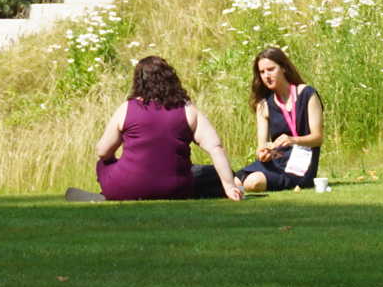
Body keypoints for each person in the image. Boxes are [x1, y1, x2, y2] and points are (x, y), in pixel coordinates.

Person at [78, 56, 245, 202]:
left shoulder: (126, 109)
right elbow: (215, 148)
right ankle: (231, 185)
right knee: (206, 174)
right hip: (175, 189)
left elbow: (103, 151)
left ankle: (113, 190)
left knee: (104, 163)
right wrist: (229, 186)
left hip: (124, 188)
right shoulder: (187, 110)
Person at [233, 46, 324, 194]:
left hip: (300, 164)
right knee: (233, 182)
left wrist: (293, 140)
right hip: (275, 162)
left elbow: (318, 138)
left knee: (253, 182)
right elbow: (260, 149)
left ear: (283, 68)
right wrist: (263, 153)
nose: (266, 76)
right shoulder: (263, 105)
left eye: (271, 69)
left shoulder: (307, 94)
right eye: (262, 72)